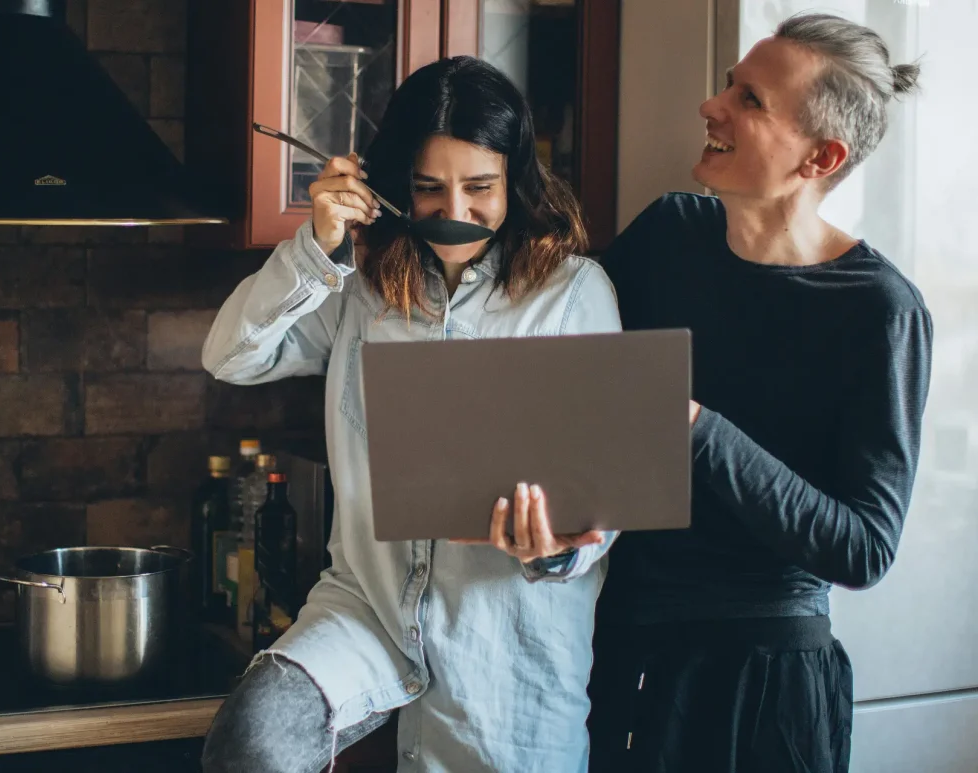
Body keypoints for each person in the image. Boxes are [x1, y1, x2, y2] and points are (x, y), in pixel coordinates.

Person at [199, 56, 620, 773]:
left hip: (505, 636)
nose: (455, 211)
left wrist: (553, 547)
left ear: (516, 180)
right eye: (429, 189)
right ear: (397, 187)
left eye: (480, 188)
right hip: (367, 607)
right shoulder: (361, 285)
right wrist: (317, 246)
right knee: (252, 741)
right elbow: (230, 357)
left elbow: (603, 493)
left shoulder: (574, 292)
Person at [582, 12, 933, 773]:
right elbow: (569, 379)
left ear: (821, 157)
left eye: (749, 99)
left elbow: (864, 545)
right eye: (728, 86)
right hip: (618, 648)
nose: (712, 106)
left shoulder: (879, 310)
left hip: (767, 680)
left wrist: (701, 428)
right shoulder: (667, 235)